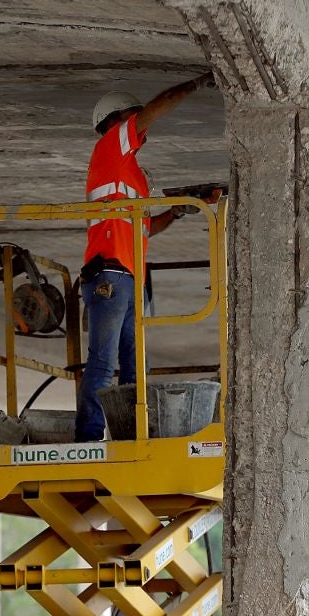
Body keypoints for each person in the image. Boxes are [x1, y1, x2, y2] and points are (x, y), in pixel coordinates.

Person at [76, 72, 217, 442]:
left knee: (135, 366)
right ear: (116, 121)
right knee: (104, 363)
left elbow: (144, 229)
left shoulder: (133, 174)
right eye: (134, 118)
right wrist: (195, 84)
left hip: (127, 279)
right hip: (109, 275)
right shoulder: (111, 146)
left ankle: (132, 435)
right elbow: (157, 107)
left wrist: (184, 208)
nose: (143, 127)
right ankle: (89, 439)